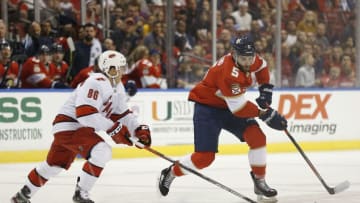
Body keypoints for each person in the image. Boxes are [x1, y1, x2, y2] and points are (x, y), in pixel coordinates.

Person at [157, 36, 287, 202]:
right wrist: (265, 114)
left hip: (230, 105)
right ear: (233, 54)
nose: (247, 62)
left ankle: (260, 182)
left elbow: (262, 67)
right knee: (204, 158)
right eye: (243, 59)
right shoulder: (228, 73)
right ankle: (171, 172)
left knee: (258, 137)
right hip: (208, 108)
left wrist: (265, 89)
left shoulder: (250, 58)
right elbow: (239, 109)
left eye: (250, 58)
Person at [11, 50, 151, 203]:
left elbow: (123, 114)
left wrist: (138, 129)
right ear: (110, 69)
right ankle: (81, 194)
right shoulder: (96, 81)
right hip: (70, 126)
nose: (124, 71)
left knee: (54, 166)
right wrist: (113, 128)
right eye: (121, 67)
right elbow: (85, 114)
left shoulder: (117, 87)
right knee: (102, 151)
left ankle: (22, 196)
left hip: (74, 128)